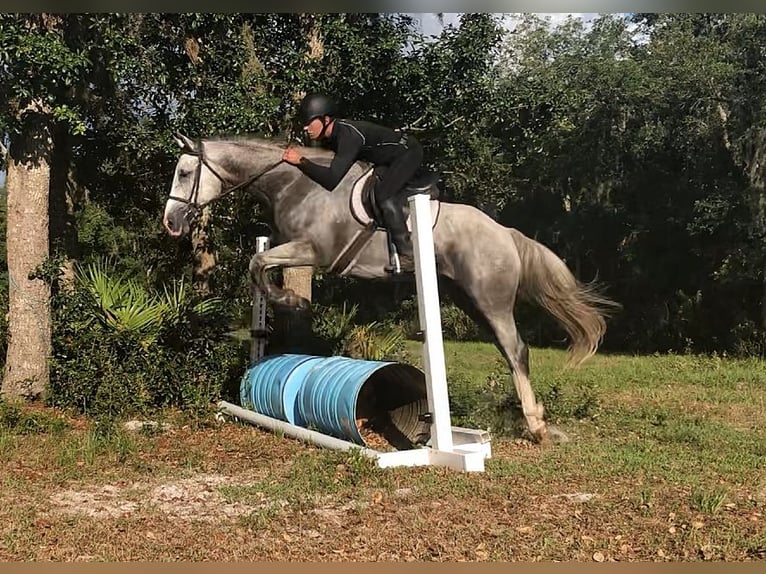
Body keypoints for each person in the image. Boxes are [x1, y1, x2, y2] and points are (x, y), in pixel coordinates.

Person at [281, 93, 424, 272]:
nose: (306, 127)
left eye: (310, 122)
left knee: (383, 195)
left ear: (325, 119)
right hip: (387, 160)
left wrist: (300, 161)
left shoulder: (348, 136)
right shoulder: (331, 135)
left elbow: (331, 180)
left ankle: (408, 254)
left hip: (407, 153)